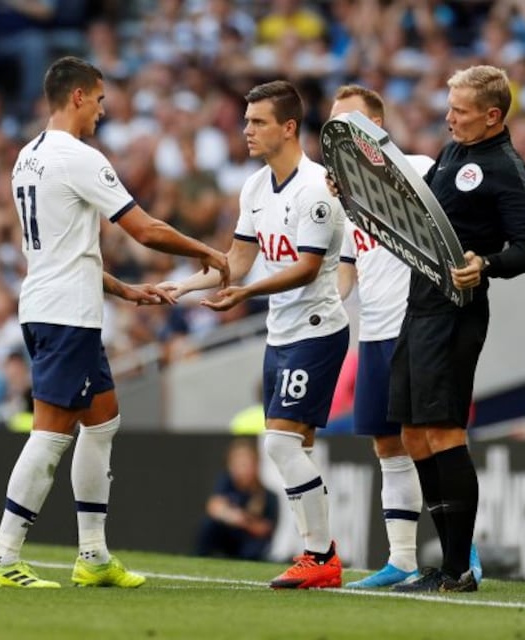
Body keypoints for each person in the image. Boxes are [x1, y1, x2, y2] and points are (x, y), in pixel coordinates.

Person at [0, 56, 229, 589]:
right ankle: (3, 556)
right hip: (65, 314)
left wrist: (122, 289)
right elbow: (146, 229)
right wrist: (211, 253)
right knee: (49, 435)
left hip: (56, 303)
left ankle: (92, 554)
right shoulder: (79, 157)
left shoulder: (28, 157)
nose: (102, 110)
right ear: (76, 97)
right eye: (98, 100)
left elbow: (62, 250)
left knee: (103, 419)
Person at [163, 80, 349, 589]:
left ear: (289, 128)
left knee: (281, 446)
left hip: (316, 330)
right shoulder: (254, 186)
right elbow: (238, 261)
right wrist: (180, 285)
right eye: (246, 121)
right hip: (280, 332)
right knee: (296, 447)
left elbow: (308, 269)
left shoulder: (316, 187)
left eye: (257, 121)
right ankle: (319, 554)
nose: (245, 130)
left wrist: (245, 295)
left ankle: (320, 554)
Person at [389, 65, 525, 593]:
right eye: (449, 107)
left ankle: (457, 568)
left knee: (444, 431)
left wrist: (487, 265)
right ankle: (448, 564)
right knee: (412, 432)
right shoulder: (454, 151)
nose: (449, 118)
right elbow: (419, 213)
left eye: (460, 110)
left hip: (458, 311)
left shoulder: (508, 169)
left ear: (492, 116)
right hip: (419, 305)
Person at [329, 84, 476, 588]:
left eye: (348, 120)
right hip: (374, 331)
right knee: (387, 446)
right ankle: (402, 559)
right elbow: (351, 265)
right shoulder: (348, 195)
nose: (338, 132)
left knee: (436, 441)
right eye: (333, 122)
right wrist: (331, 301)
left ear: (376, 126)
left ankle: (462, 550)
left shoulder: (420, 169)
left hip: (418, 325)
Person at [196, 438, 279, 560]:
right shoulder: (225, 483)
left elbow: (264, 529)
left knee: (253, 551)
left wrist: (244, 521)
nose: (242, 469)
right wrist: (233, 517)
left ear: (256, 465)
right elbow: (214, 506)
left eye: (246, 464)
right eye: (238, 464)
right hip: (229, 535)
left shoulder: (268, 495)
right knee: (208, 524)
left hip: (249, 541)